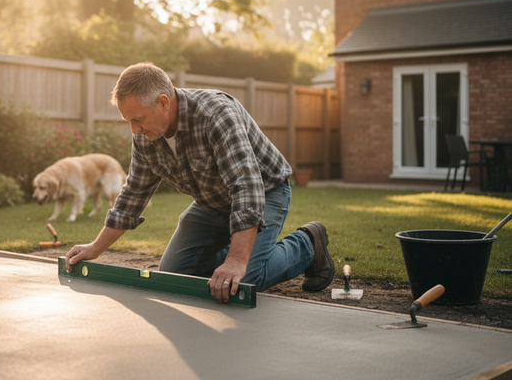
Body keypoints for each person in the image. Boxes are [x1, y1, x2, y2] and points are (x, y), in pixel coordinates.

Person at [65, 62, 334, 303]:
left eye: (137, 119)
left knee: (242, 279)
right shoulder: (146, 135)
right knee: (174, 276)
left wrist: (237, 261)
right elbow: (133, 194)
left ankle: (308, 243)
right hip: (211, 202)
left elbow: (247, 188)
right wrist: (95, 248)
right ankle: (241, 248)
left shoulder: (216, 115)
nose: (134, 130)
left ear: (163, 102)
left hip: (265, 191)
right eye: (128, 121)